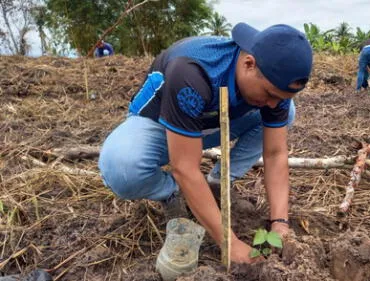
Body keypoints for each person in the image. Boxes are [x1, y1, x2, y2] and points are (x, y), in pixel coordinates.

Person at [98, 23, 313, 264]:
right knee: (122, 168)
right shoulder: (191, 72)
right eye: (270, 94)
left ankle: (217, 183)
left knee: (288, 112)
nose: (274, 103)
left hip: (210, 122)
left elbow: (274, 153)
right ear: (249, 64)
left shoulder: (275, 83)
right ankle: (171, 193)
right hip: (158, 123)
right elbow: (185, 167)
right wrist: (230, 244)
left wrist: (280, 223)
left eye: (280, 97)